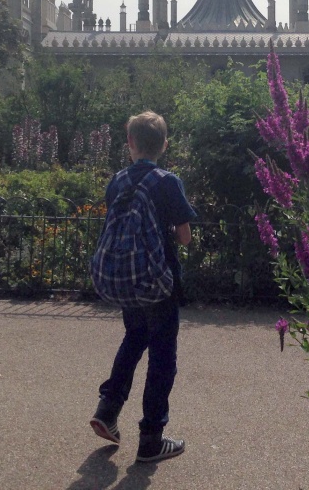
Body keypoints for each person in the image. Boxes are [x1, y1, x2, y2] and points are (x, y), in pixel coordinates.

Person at [90, 111, 197, 463]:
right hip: (158, 282)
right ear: (164, 145)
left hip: (126, 279)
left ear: (130, 143)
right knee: (162, 357)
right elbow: (184, 237)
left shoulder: (117, 181)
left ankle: (108, 409)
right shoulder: (168, 181)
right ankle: (152, 438)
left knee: (134, 338)